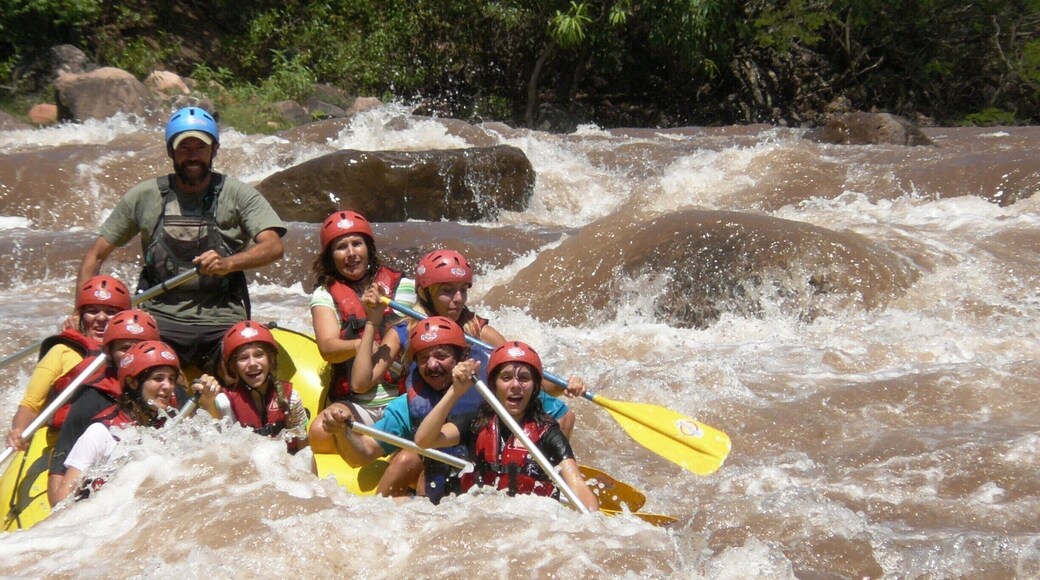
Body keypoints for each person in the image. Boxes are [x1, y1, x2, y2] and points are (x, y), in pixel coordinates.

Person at [76, 106, 286, 375]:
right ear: (170, 151)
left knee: (246, 374)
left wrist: (228, 263)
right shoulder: (145, 196)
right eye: (184, 147)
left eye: (200, 147)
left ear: (215, 150)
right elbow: (95, 255)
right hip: (158, 318)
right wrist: (79, 312)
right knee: (139, 375)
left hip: (223, 318)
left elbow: (273, 246)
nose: (192, 155)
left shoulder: (238, 195)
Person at [351, 249, 576, 435]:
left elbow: (527, 379)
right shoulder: (403, 331)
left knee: (564, 415)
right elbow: (361, 383)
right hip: (429, 424)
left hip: (471, 421)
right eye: (448, 291)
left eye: (462, 290)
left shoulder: (478, 329)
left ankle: (553, 474)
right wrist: (373, 321)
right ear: (425, 292)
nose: (458, 299)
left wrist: (565, 386)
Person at [414, 340, 599, 512]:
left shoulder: (548, 433)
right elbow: (424, 440)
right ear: (494, 385)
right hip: (479, 515)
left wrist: (592, 522)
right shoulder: (476, 423)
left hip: (529, 523)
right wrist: (455, 392)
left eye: (524, 378)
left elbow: (577, 486)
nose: (515, 385)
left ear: (535, 387)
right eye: (506, 377)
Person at [315, 316, 470, 500]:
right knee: (407, 459)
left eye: (441, 356)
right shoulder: (407, 406)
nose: (432, 365)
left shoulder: (485, 398)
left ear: (461, 358)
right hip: (433, 496)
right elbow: (362, 454)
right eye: (423, 358)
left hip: (478, 490)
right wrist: (342, 432)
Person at [306, 211, 414, 448]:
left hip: (404, 397)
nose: (351, 253)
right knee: (318, 432)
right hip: (356, 402)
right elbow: (327, 348)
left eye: (357, 244)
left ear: (369, 248)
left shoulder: (403, 287)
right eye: (341, 247)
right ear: (330, 257)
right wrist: (359, 345)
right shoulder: (324, 295)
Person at [53, 340, 208, 504]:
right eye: (158, 378)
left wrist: (208, 402)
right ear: (133, 382)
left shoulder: (168, 427)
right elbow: (62, 502)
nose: (168, 386)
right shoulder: (100, 433)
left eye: (171, 379)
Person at [46, 309, 161, 505]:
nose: (133, 356)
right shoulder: (90, 400)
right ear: (108, 352)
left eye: (141, 347)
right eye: (125, 348)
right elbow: (57, 489)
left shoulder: (168, 393)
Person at [5, 274, 131, 452]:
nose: (101, 318)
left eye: (111, 312)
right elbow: (31, 406)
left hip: (113, 438)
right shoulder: (62, 352)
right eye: (93, 311)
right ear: (81, 317)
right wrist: (19, 430)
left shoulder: (136, 354)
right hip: (61, 440)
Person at [194, 320, 307, 452]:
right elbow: (214, 448)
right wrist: (208, 403)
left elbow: (304, 451)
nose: (252, 363)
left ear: (270, 360)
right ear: (233, 367)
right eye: (243, 358)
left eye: (259, 355)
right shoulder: (224, 403)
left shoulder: (291, 398)